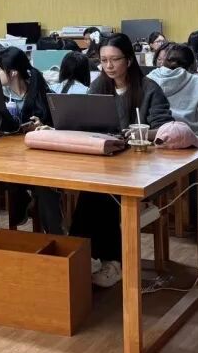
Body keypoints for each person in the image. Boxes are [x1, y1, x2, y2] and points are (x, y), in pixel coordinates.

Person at [71, 33, 172, 288]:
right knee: (89, 192)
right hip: (107, 161)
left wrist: (141, 133)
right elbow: (86, 121)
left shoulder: (149, 88)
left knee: (104, 194)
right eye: (103, 60)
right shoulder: (98, 87)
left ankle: (112, 261)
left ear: (128, 60)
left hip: (142, 167)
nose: (108, 66)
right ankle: (86, 256)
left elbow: (165, 128)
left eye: (114, 59)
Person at [0, 46, 62, 233]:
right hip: (10, 156)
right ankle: (23, 207)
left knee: (44, 187)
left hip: (41, 159)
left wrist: (41, 125)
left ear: (13, 72)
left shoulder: (42, 93)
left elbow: (58, 126)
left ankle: (56, 235)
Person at [147, 44, 198, 134]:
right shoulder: (196, 82)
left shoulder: (149, 79)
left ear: (164, 61)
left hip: (153, 137)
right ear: (191, 65)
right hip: (189, 138)